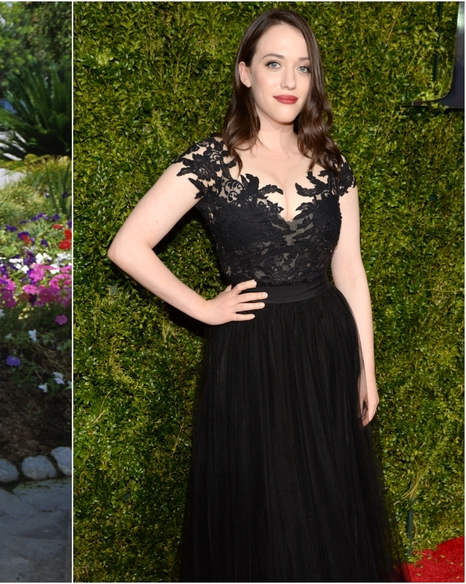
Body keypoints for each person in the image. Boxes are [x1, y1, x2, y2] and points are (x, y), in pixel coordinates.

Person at [108, 9, 405, 581]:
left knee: (327, 500)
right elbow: (129, 245)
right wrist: (204, 307)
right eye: (275, 64)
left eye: (303, 67)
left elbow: (350, 269)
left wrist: (366, 367)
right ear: (246, 73)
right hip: (249, 353)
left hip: (325, 345)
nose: (291, 81)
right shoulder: (212, 160)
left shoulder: (333, 164)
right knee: (263, 508)